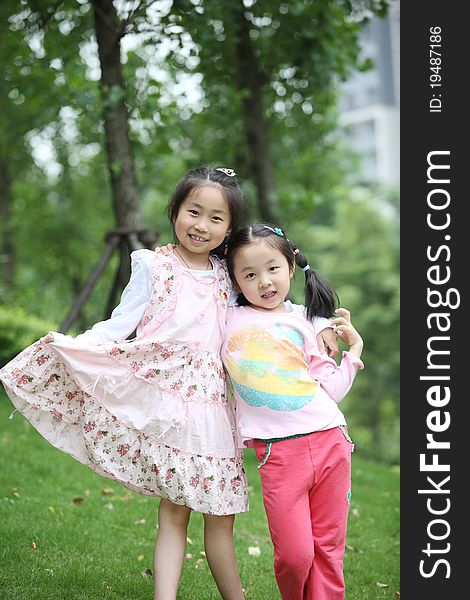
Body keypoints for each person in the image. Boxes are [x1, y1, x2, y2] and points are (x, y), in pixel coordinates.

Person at [0, 165, 249, 600]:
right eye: (194, 211)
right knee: (173, 513)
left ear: (229, 229)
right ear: (175, 211)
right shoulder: (154, 266)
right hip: (163, 403)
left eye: (216, 218)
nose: (201, 225)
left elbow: (265, 311)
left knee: (219, 516)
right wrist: (76, 347)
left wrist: (316, 325)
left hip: (210, 411)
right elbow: (120, 324)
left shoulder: (229, 275)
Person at [221, 223, 364, 600]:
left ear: (290, 266)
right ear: (235, 282)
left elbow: (330, 390)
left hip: (331, 439)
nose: (264, 282)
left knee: (327, 552)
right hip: (278, 453)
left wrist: (353, 354)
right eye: (250, 275)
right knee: (295, 556)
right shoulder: (226, 318)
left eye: (273, 269)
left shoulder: (308, 319)